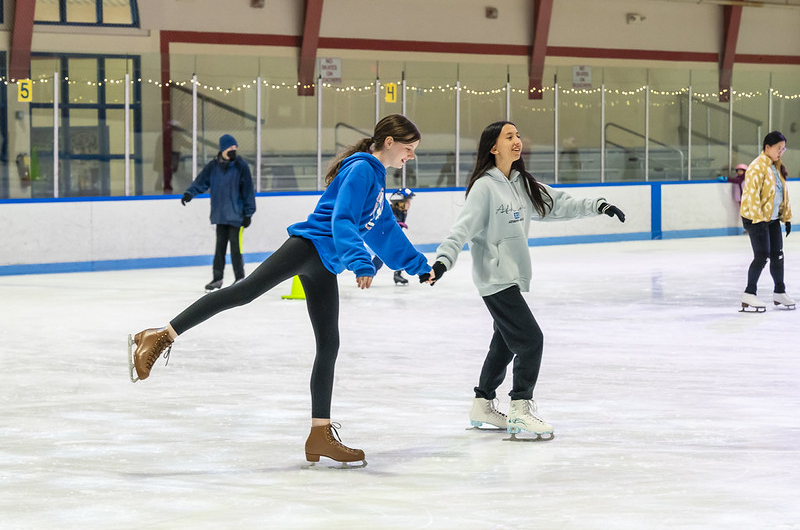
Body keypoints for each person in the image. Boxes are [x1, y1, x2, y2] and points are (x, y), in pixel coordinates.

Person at [129, 114, 432, 467]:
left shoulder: (375, 179)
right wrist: (360, 262)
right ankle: (160, 335)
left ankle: (320, 434)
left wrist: (418, 265)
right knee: (243, 292)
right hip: (308, 246)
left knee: (329, 343)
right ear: (390, 143)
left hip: (325, 263)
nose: (411, 156)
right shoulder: (363, 169)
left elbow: (384, 231)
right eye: (408, 149)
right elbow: (342, 219)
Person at [421, 121, 626, 439]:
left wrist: (599, 205)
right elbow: (461, 228)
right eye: (509, 137)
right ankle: (520, 408)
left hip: (511, 276)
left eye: (517, 135)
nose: (517, 141)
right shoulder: (484, 187)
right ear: (494, 147)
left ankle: (483, 404)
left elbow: (559, 204)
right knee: (531, 340)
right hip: (494, 277)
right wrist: (443, 262)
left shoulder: (521, 182)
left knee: (504, 344)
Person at [181, 134, 256, 291]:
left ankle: (240, 278)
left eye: (235, 148)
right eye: (230, 148)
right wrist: (189, 193)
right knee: (220, 248)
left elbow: (248, 190)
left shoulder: (241, 166)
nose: (233, 151)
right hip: (220, 215)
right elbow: (200, 182)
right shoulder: (213, 167)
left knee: (236, 248)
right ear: (223, 149)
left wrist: (248, 213)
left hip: (237, 215)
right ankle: (217, 278)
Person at [739, 131, 794, 312]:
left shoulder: (775, 166)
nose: (781, 152)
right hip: (755, 218)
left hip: (771, 219)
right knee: (762, 256)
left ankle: (779, 291)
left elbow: (781, 194)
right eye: (778, 148)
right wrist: (758, 220)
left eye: (783, 149)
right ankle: (749, 294)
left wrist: (785, 217)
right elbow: (751, 195)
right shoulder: (756, 167)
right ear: (767, 147)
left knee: (778, 255)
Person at [371, 187, 415, 284]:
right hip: (383, 238)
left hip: (391, 238)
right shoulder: (390, 210)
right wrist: (397, 223)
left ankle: (397, 274)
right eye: (407, 202)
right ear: (399, 202)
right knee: (380, 258)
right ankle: (369, 274)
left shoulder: (403, 212)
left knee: (400, 253)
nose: (409, 204)